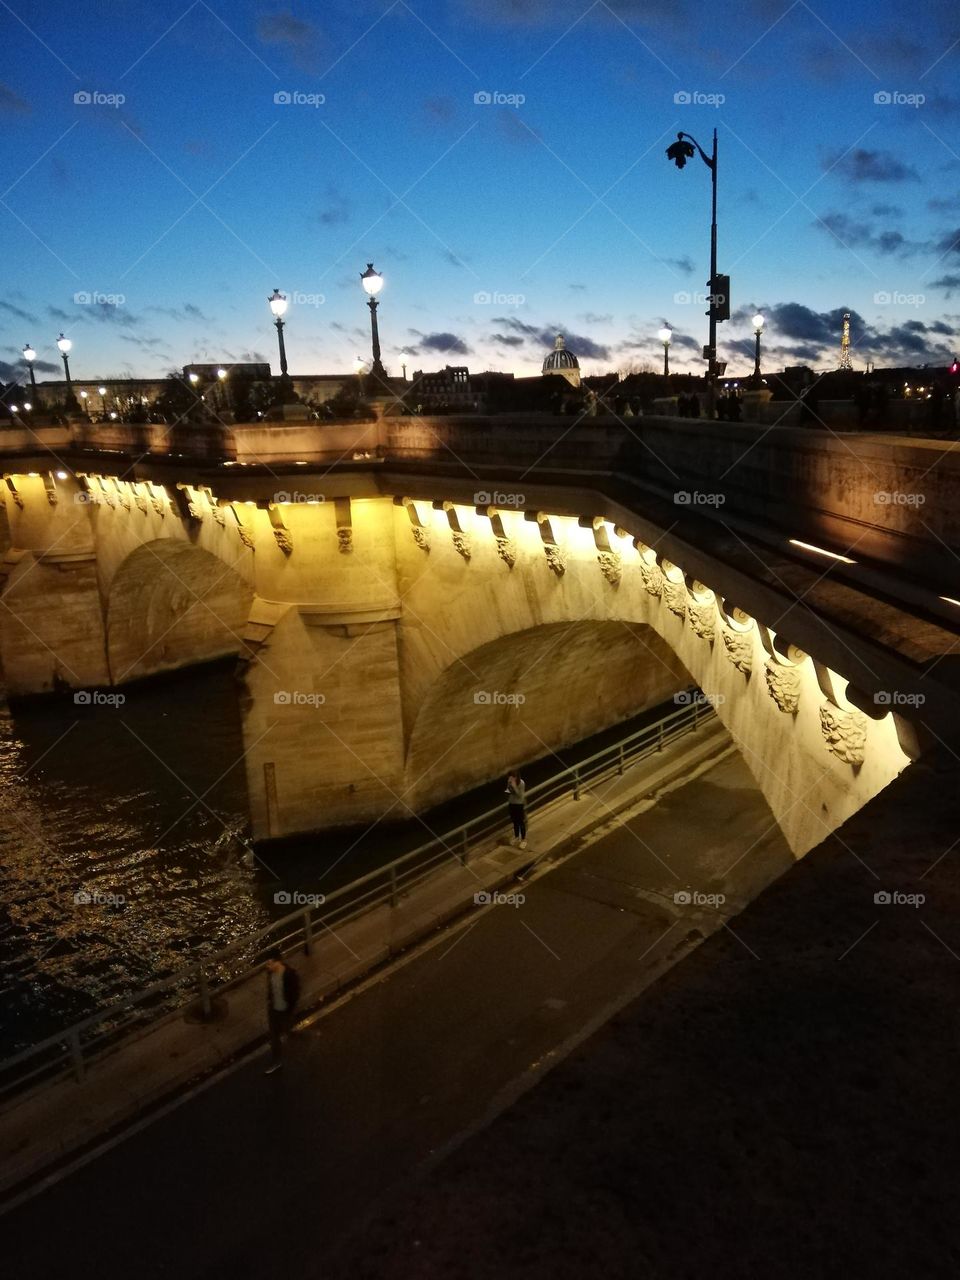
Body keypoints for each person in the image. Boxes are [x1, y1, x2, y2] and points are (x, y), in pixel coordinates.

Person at [264, 947, 300, 1075]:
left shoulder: (290, 975)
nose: (267, 966)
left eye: (269, 963)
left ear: (277, 962)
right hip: (274, 1011)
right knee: (274, 1037)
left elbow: (294, 994)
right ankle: (277, 1061)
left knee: (285, 1030)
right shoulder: (270, 973)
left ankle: (298, 1034)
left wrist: (289, 1009)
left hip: (284, 1011)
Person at [505, 773, 527, 850]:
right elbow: (508, 792)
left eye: (512, 778)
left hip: (519, 804)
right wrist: (509, 784)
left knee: (521, 822)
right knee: (515, 822)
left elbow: (520, 795)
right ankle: (516, 837)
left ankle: (524, 840)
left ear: (516, 777)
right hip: (512, 804)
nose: (511, 779)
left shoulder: (522, 783)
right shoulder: (511, 782)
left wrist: (514, 786)